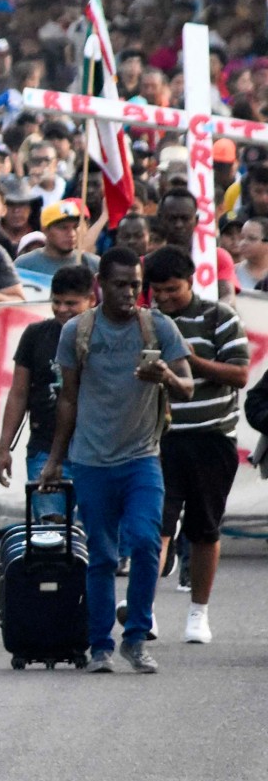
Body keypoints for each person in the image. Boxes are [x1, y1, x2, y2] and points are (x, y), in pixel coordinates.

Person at [38, 248, 194, 674]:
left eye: (135, 285)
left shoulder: (157, 326)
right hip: (91, 461)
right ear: (100, 286)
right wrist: (55, 459)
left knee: (146, 544)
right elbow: (67, 398)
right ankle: (101, 645)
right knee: (103, 556)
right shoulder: (77, 331)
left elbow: (188, 387)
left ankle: (137, 636)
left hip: (142, 457)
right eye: (120, 284)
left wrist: (164, 375)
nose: (129, 293)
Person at [145, 246, 249, 644]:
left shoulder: (218, 317)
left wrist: (189, 361)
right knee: (155, 527)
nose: (165, 298)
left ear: (191, 281)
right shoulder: (147, 321)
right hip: (158, 440)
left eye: (173, 289)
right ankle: (145, 610)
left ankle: (198, 614)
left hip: (211, 438)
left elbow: (239, 374)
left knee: (204, 529)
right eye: (158, 291)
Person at [0, 265, 96, 517]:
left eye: (71, 303)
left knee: (93, 536)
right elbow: (18, 393)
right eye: (57, 302)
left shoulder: (104, 336)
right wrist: (4, 448)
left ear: (91, 300)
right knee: (49, 536)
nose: (62, 309)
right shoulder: (35, 335)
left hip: (96, 453)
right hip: (44, 448)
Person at [15, 200, 100, 287]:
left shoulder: (93, 264)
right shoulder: (25, 264)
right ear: (45, 230)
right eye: (63, 228)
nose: (71, 234)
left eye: (75, 227)